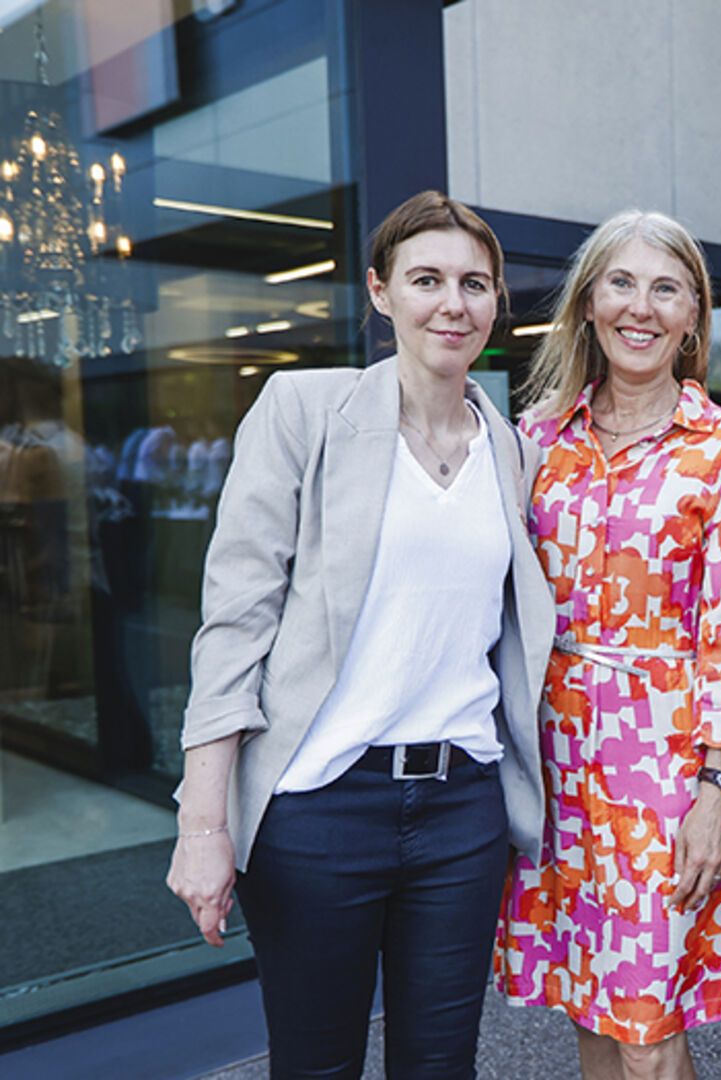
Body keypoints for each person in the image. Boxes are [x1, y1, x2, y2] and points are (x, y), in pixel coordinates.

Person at [166, 190, 553, 1079]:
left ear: (495, 302)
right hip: (319, 806)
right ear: (380, 293)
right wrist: (203, 823)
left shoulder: (511, 449)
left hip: (461, 808)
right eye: (426, 280)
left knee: (439, 1064)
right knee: (317, 1065)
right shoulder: (303, 411)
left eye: (474, 283)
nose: (452, 303)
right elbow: (233, 624)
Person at [494, 209, 721, 1080]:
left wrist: (720, 790)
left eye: (665, 288)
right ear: (586, 302)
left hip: (664, 778)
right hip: (555, 767)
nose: (639, 307)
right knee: (590, 1008)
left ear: (693, 316)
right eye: (621, 282)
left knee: (649, 1031)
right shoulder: (537, 438)